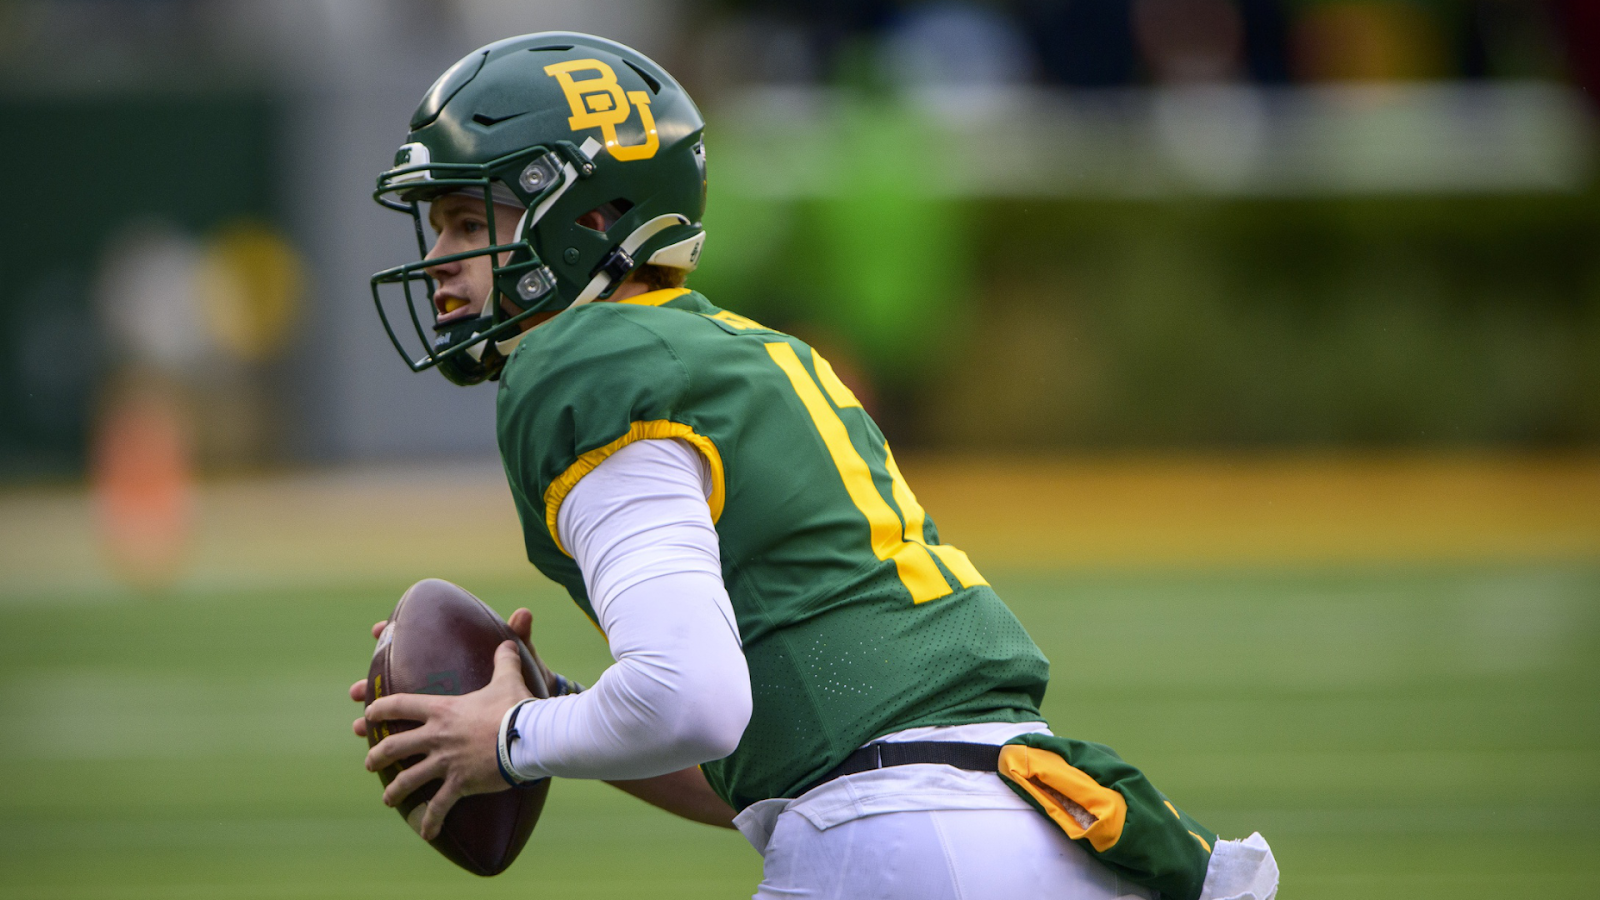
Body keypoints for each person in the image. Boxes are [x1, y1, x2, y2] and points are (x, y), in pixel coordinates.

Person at [348, 32, 1279, 900]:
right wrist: (558, 710)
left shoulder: (583, 363)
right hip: (1024, 825)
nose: (437, 261)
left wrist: (508, 740)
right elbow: (763, 765)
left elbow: (693, 700)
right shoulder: (739, 353)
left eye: (468, 221)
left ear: (587, 215)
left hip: (901, 843)